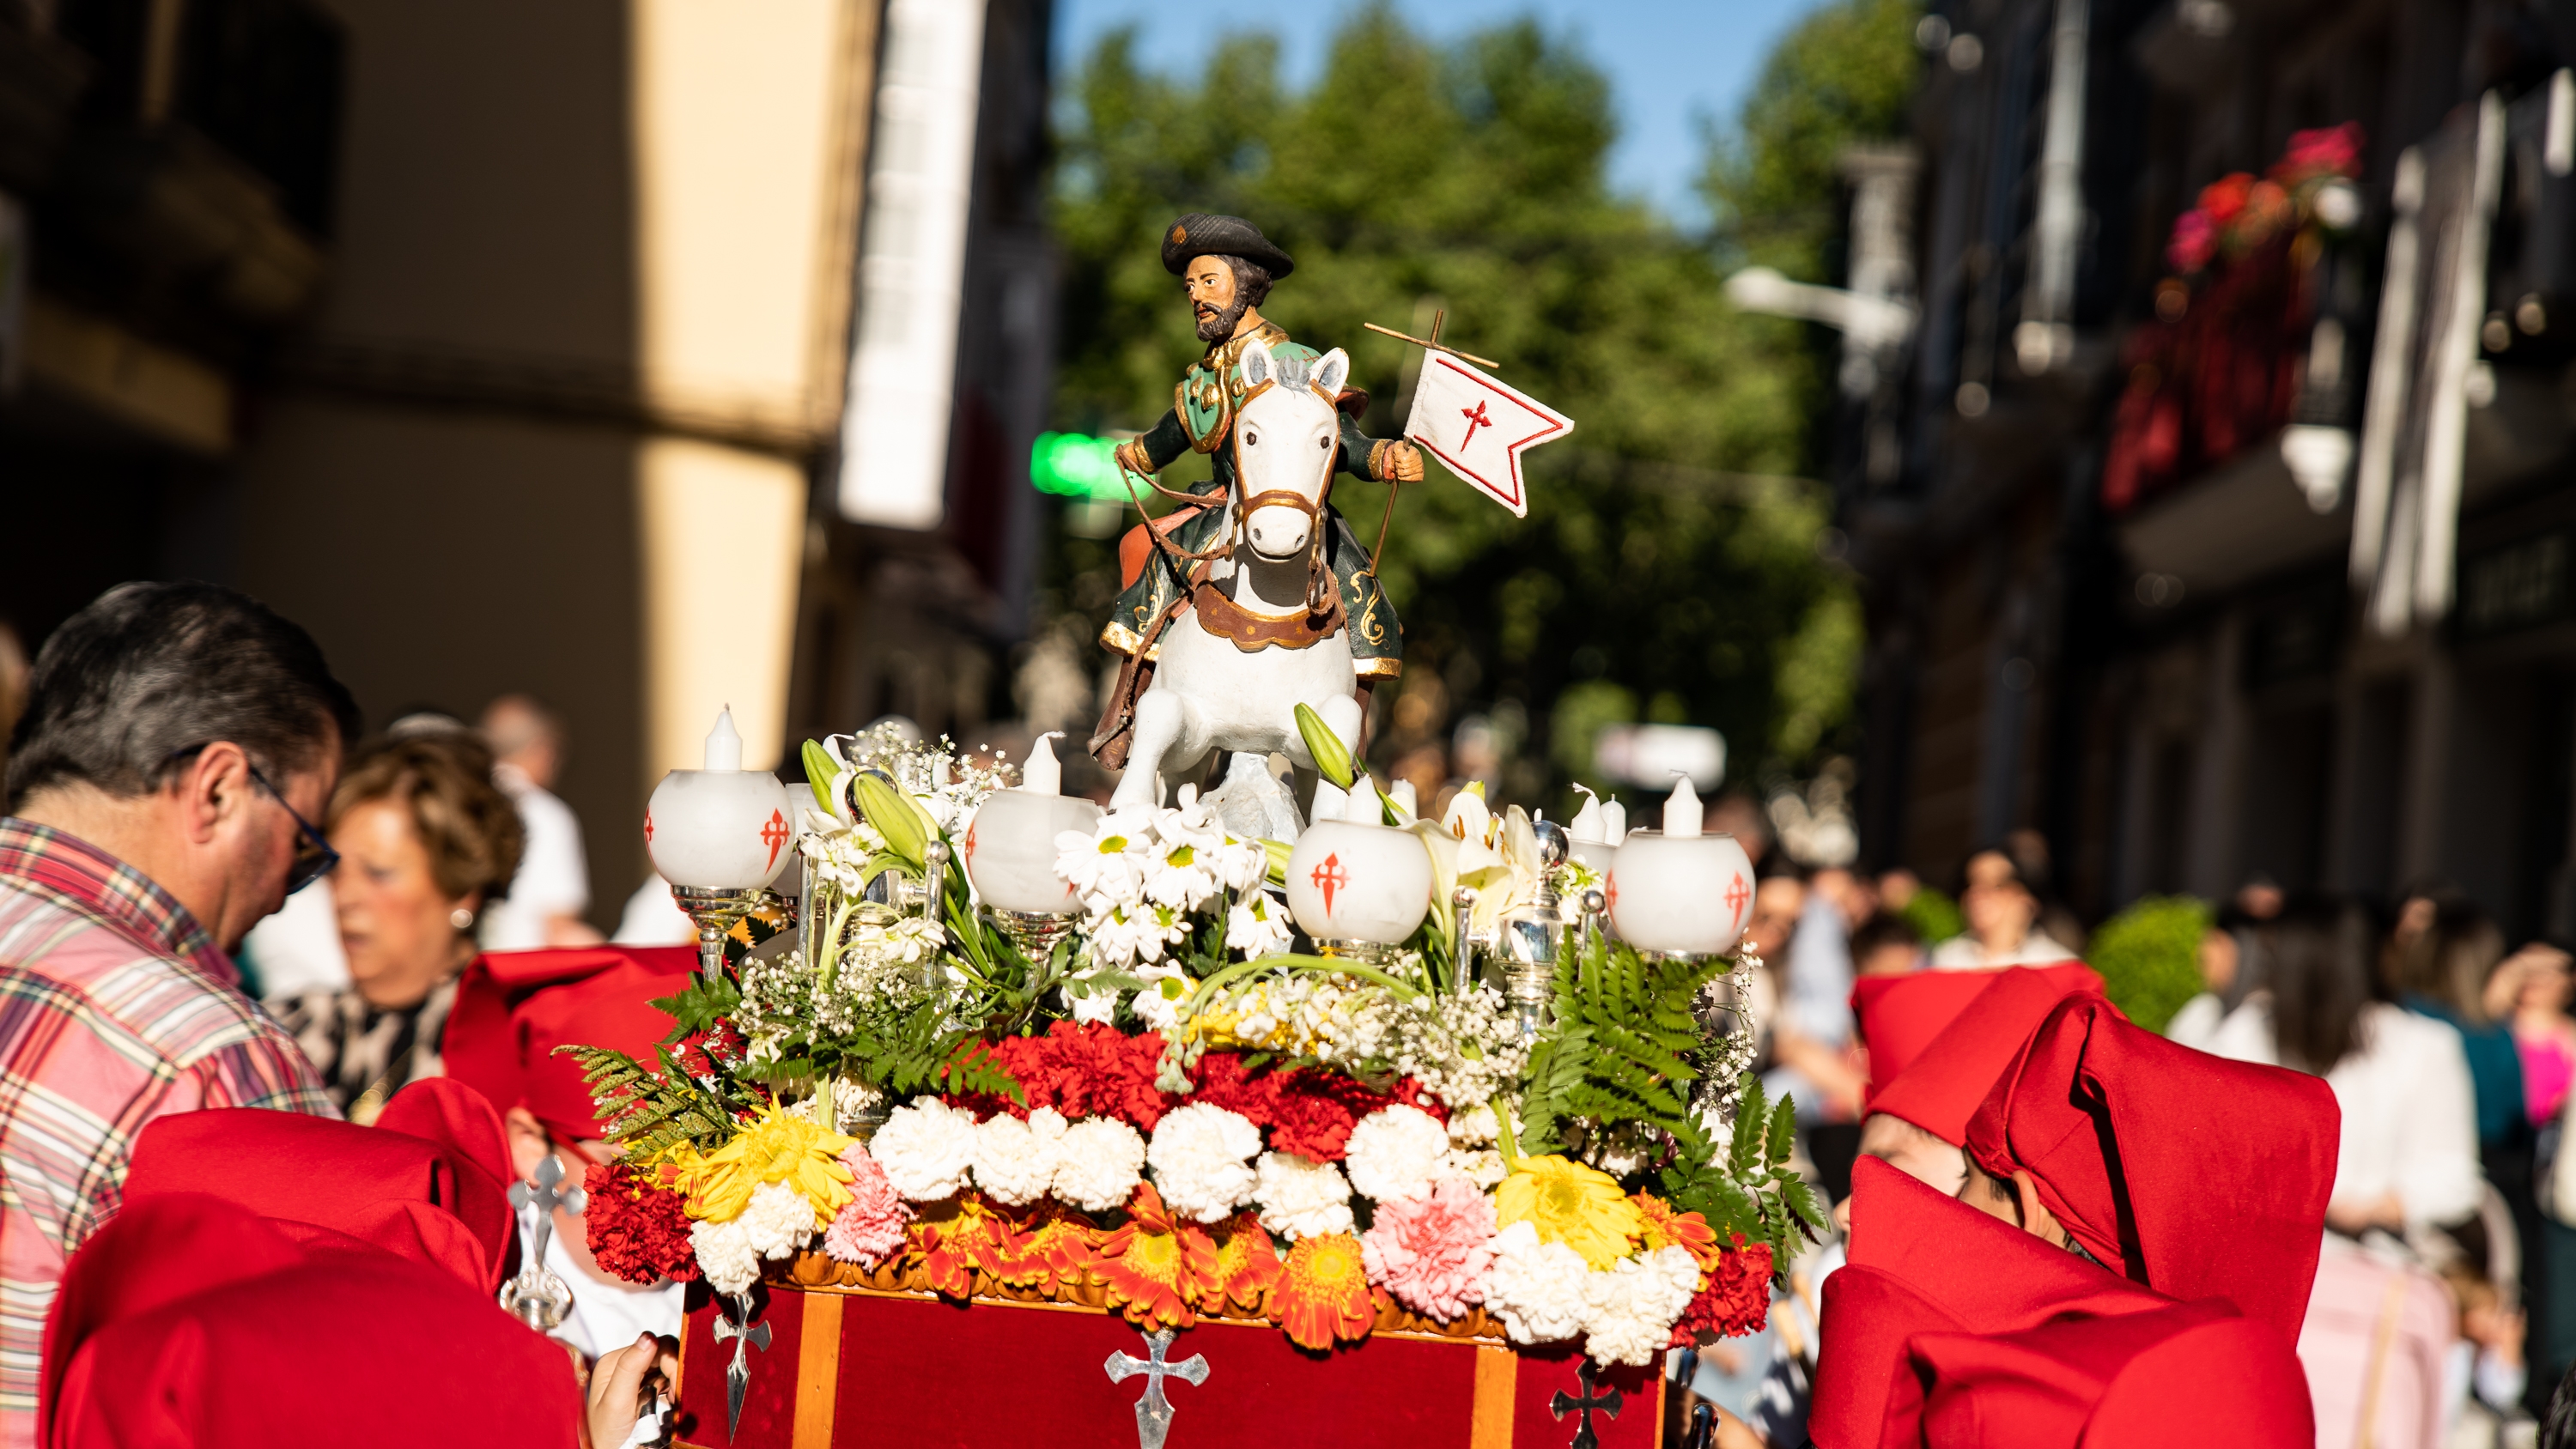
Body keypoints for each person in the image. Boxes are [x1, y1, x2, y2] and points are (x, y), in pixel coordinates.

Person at [0, 581, 347, 1446]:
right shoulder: (206, 1051)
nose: (281, 896)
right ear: (220, 789)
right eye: (302, 849)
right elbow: (312, 1397)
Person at [1090, 213, 1424, 767]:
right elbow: (1178, 431)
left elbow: (1344, 442)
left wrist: (1386, 457)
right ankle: (1129, 704)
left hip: (1291, 507)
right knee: (1144, 553)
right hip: (1221, 504)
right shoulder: (1206, 373)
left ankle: (1352, 727)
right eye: (1190, 285)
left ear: (1244, 284)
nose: (1196, 295)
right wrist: (1142, 453)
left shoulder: (1297, 364)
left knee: (1363, 590)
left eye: (1209, 281)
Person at [2166, 897, 2483, 1237]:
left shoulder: (2422, 1045)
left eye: (2273, 956)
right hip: (2255, 1244)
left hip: (2374, 1256)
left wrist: (2378, 1207)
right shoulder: (2246, 1031)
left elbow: (2453, 1178)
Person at [445, 944, 699, 1362]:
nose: (677, 1190)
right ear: (532, 1146)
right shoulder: (477, 1283)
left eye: (702, 1156)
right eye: (632, 1162)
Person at [274, 731, 525, 1121]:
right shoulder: (285, 1033)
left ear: (462, 890)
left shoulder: (512, 1044)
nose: (346, 896)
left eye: (379, 873)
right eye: (336, 870)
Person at [478, 694, 605, 950]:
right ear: (543, 751)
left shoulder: (459, 803)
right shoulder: (547, 817)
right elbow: (560, 929)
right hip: (516, 972)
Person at [1928, 847, 2079, 969]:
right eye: (1968, 884)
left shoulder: (2057, 965)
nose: (1975, 893)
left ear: (2026, 900)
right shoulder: (1946, 960)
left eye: (1995, 884)